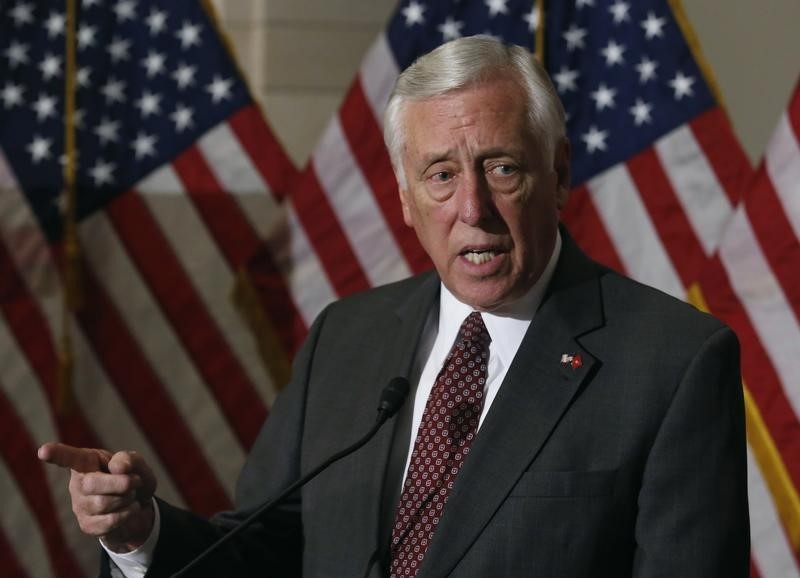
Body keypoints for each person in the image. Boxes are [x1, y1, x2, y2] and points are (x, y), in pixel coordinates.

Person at [39, 36, 749, 577]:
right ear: (405, 198)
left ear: (557, 172)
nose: (472, 209)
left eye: (502, 168)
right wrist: (141, 534)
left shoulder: (672, 363)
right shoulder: (348, 338)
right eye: (440, 175)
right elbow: (267, 549)